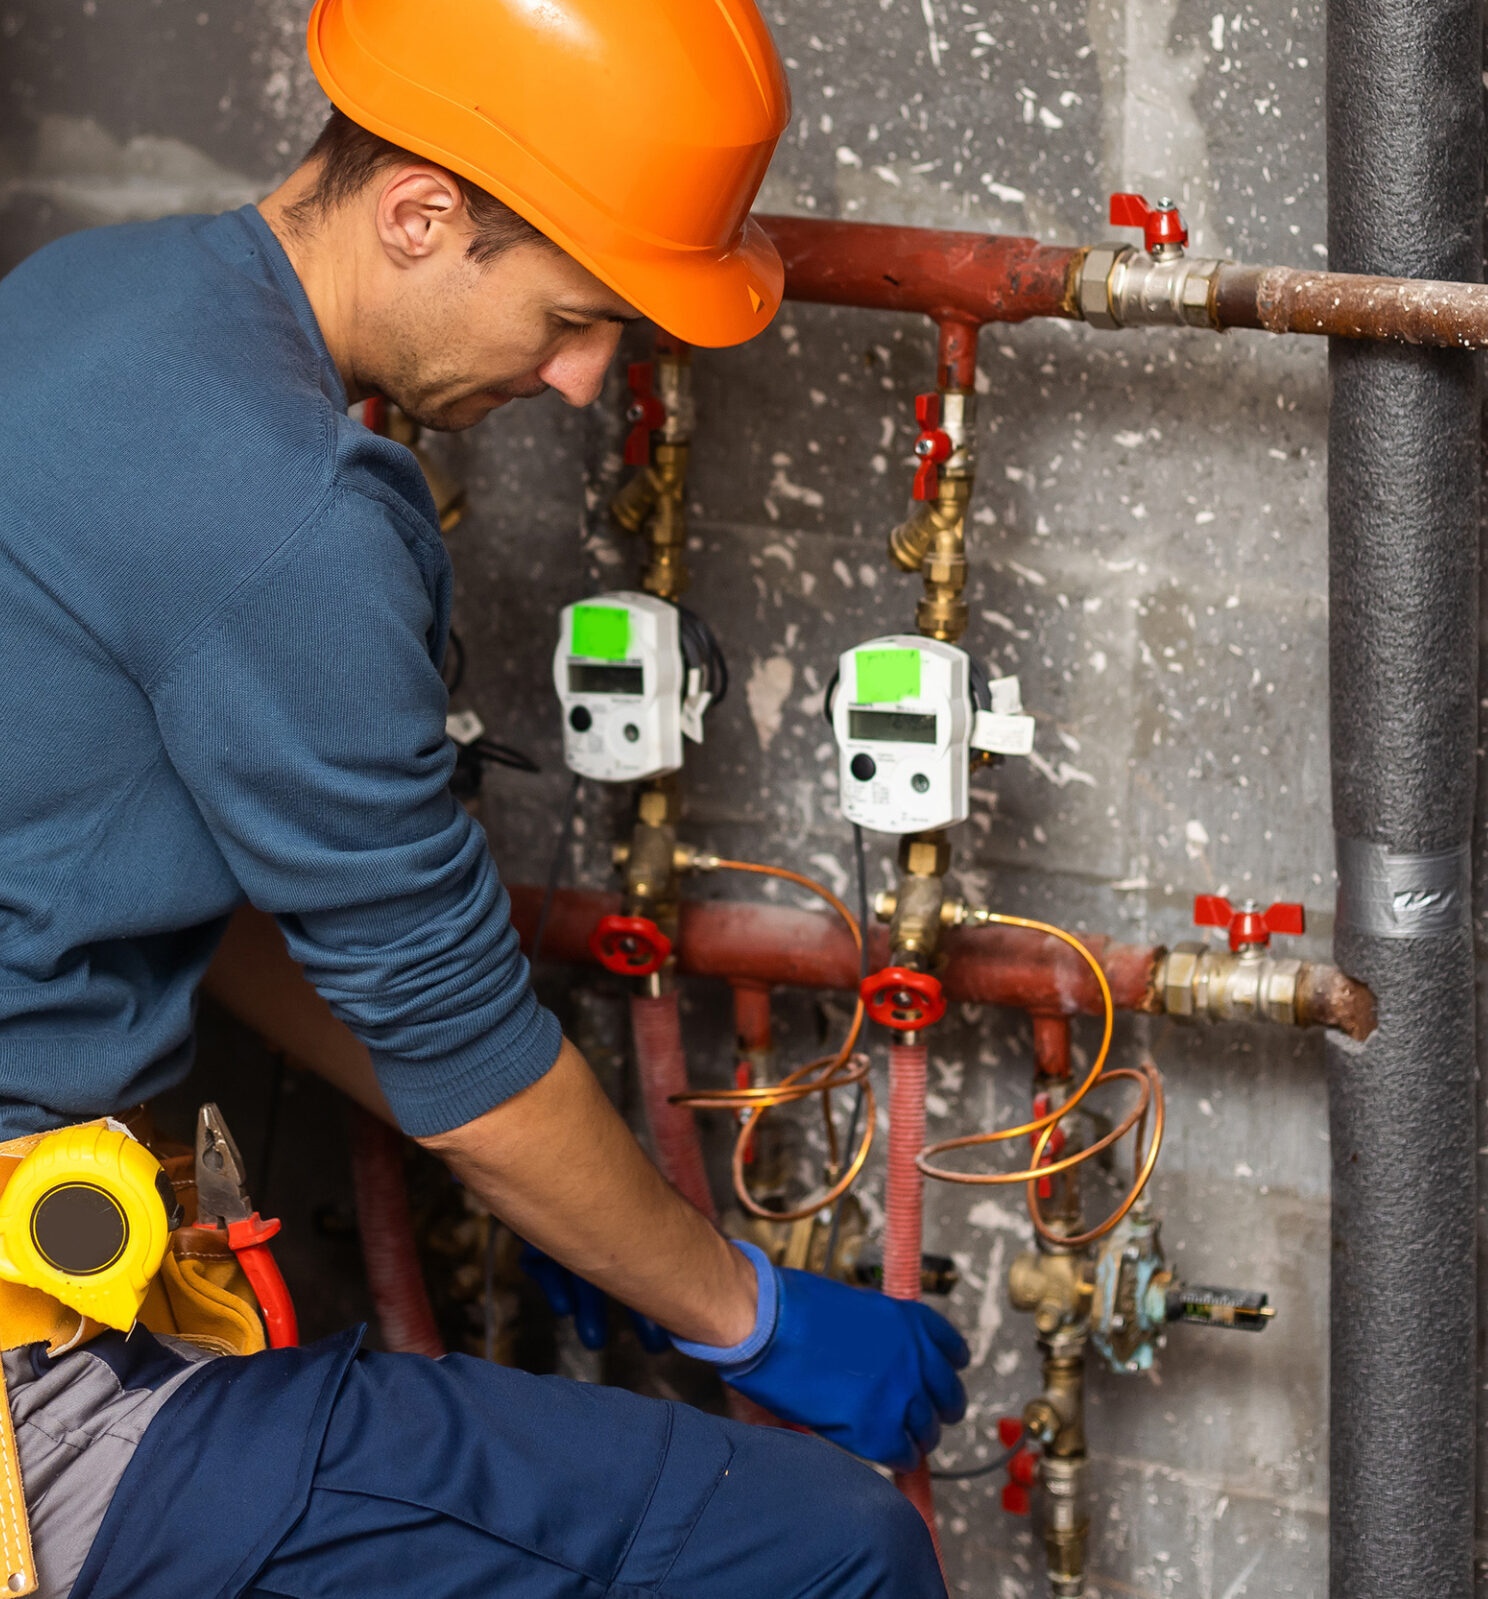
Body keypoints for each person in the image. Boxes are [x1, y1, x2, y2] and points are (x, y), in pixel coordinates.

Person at [0, 1, 966, 1594]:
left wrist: (560, 1196)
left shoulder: (88, 297)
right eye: (572, 317)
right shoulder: (290, 517)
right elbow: (454, 1038)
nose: (584, 381)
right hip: (31, 1403)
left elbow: (211, 908)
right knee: (834, 1549)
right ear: (421, 213)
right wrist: (743, 1310)